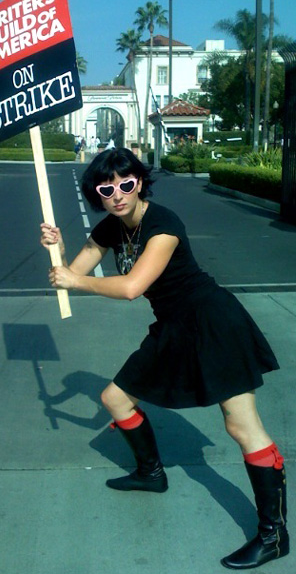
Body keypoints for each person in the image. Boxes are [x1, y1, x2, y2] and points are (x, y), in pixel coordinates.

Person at [39, 148, 289, 570]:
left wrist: (75, 279)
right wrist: (58, 250)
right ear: (96, 195)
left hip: (212, 321)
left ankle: (273, 535)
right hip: (172, 326)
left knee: (241, 425)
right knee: (115, 399)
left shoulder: (163, 223)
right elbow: (68, 276)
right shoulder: (111, 228)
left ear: (140, 183)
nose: (117, 194)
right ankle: (151, 474)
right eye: (106, 188)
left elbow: (133, 286)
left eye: (126, 184)